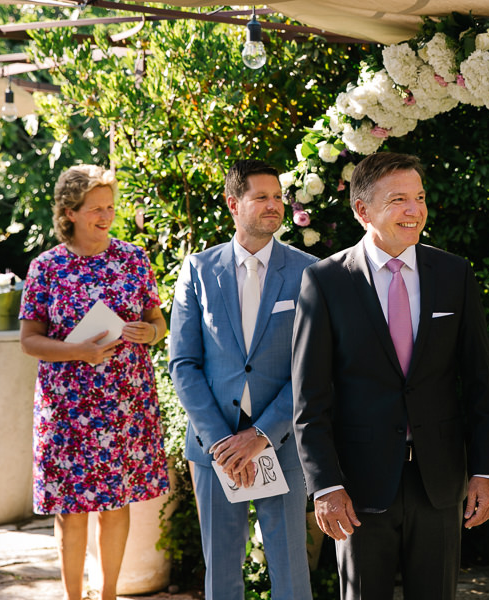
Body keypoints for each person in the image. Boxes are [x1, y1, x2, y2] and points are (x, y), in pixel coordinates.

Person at [292, 152, 489, 600]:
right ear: (362, 211)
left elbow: (479, 382)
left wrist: (486, 471)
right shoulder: (324, 281)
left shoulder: (453, 273)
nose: (414, 211)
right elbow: (310, 398)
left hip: (440, 481)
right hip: (358, 486)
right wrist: (326, 485)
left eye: (420, 198)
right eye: (399, 200)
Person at [18, 165, 169, 600]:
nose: (106, 215)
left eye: (110, 206)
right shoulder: (46, 267)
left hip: (124, 400)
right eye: (95, 209)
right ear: (69, 212)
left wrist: (150, 332)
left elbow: (156, 320)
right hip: (67, 405)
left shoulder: (133, 258)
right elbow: (29, 341)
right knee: (70, 509)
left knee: (117, 502)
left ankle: (107, 597)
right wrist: (77, 351)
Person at [168, 159, 315, 600]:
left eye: (278, 197)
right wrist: (220, 443)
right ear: (234, 204)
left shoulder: (311, 271)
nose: (275, 206)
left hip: (282, 442)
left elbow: (311, 369)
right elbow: (184, 363)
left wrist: (261, 435)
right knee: (222, 576)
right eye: (262, 197)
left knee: (291, 572)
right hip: (213, 449)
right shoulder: (196, 270)